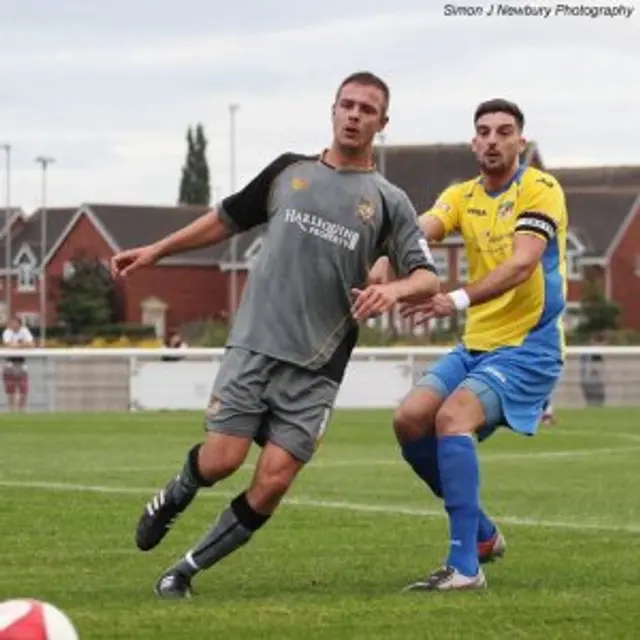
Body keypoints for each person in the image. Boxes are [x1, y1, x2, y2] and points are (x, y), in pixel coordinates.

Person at [110, 71, 440, 599]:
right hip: (255, 346)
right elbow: (224, 219)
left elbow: (427, 274)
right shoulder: (290, 171)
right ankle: (175, 494)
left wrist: (394, 292)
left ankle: (184, 572)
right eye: (347, 105)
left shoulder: (388, 201)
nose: (355, 115)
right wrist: (155, 251)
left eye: (367, 109)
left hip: (318, 366)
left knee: (274, 482)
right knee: (222, 461)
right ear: (332, 110)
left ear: (382, 123)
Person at [372, 98, 568, 591]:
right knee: (409, 419)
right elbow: (417, 233)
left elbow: (522, 264)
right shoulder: (461, 195)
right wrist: (385, 262)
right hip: (477, 345)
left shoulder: (539, 189)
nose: (494, 140)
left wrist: (452, 298)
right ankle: (481, 534)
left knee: (451, 418)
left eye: (505, 132)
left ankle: (464, 568)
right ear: (473, 142)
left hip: (529, 347)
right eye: (485, 131)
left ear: (521, 143)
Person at [2, 315, 35, 412]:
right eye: (11, 323)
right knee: (10, 389)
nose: (13, 325)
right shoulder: (7, 332)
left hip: (22, 364)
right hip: (9, 363)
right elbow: (8, 344)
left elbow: (31, 344)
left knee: (24, 389)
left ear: (19, 324)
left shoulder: (24, 331)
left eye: (15, 323)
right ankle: (12, 410)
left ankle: (22, 410)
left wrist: (17, 345)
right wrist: (23, 345)